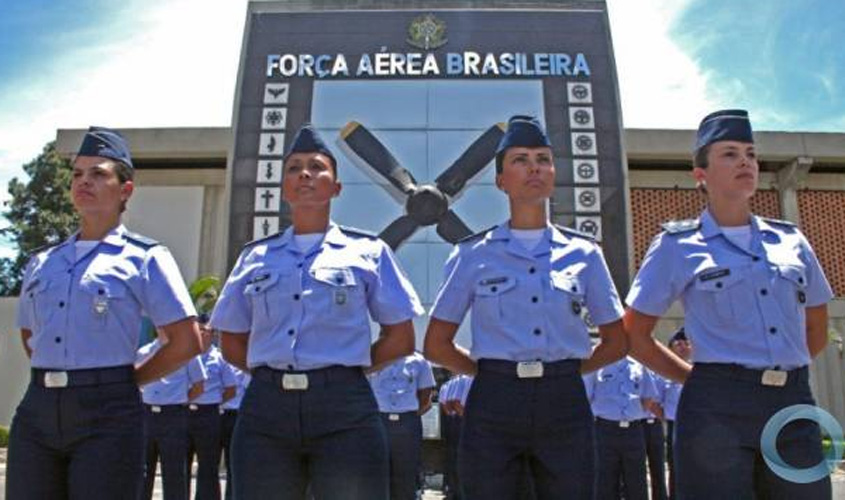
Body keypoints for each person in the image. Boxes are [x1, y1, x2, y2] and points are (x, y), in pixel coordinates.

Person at [624, 109, 834, 498]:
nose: (745, 162)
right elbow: (633, 334)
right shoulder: (677, 246)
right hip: (716, 408)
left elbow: (817, 327)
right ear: (700, 174)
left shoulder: (791, 241)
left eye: (751, 154)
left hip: (790, 405)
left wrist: (782, 369)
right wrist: (696, 379)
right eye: (730, 153)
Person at [210, 124, 424, 500]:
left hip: (345, 409)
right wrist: (273, 372)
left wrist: (345, 369)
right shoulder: (255, 256)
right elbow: (230, 340)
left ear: (336, 188)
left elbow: (401, 337)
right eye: (293, 168)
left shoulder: (368, 252)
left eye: (316, 167)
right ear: (284, 188)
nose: (304, 174)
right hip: (266, 412)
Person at [424, 115, 628, 500]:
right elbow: (437, 344)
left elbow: (617, 341)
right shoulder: (472, 255)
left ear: (552, 173)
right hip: (494, 403)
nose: (534, 167)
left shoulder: (584, 254)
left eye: (542, 158)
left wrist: (564, 371)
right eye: (520, 159)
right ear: (501, 181)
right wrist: (489, 372)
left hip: (565, 403)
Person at [6, 126, 203, 499]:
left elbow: (186, 340)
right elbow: (30, 334)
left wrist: (129, 380)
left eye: (98, 174)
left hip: (108, 411)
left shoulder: (144, 257)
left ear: (125, 190)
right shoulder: (43, 262)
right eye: (78, 174)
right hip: (39, 408)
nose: (84, 181)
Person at [137, 334, 208, 500]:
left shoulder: (186, 353)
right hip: (147, 415)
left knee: (174, 471)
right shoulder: (144, 352)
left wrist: (178, 400)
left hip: (173, 416)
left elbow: (198, 386)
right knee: (143, 471)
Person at [583, 356, 658, 500]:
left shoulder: (639, 364)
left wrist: (633, 414)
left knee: (637, 480)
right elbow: (586, 397)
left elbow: (648, 396)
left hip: (633, 430)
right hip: (605, 430)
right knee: (605, 480)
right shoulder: (597, 362)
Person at [367, 352, 436, 500]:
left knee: (406, 473)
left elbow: (425, 396)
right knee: (377, 472)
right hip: (379, 420)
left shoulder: (419, 361)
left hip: (407, 422)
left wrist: (408, 414)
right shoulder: (372, 357)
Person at [187, 319, 239, 500]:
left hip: (208, 414)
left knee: (208, 465)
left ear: (213, 334)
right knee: (181, 463)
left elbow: (231, 389)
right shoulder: (184, 357)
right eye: (198, 330)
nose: (201, 334)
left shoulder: (220, 359)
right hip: (183, 413)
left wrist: (213, 402)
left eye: (205, 331)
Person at [663, 327, 690, 500]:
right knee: (675, 467)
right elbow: (654, 402)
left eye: (685, 343)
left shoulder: (701, 370)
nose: (681, 346)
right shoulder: (664, 369)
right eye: (677, 343)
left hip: (700, 424)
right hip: (675, 424)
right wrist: (666, 417)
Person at [220, 365, 251, 500]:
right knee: (209, 463)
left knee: (233, 463)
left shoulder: (247, 367)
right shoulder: (221, 363)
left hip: (237, 414)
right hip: (217, 413)